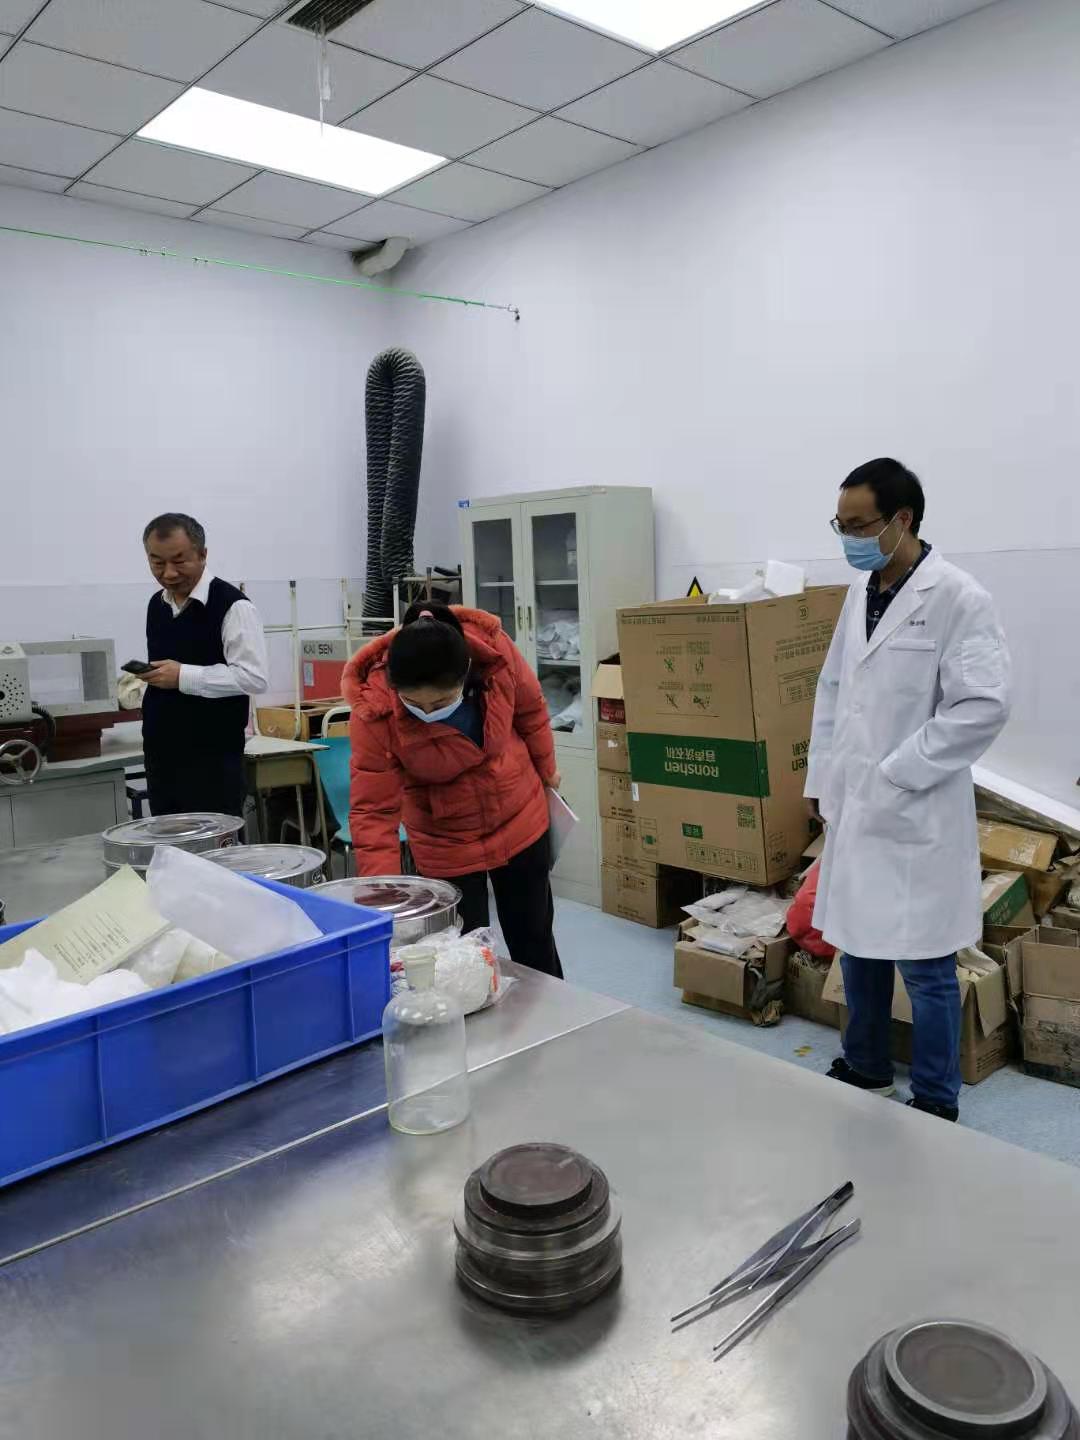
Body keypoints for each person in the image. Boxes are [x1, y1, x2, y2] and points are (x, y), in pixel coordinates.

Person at [805, 458, 1010, 1122]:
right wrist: (822, 779)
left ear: (902, 519)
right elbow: (834, 690)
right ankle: (865, 1067)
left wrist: (899, 770)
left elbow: (981, 707)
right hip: (856, 806)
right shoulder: (859, 593)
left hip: (916, 809)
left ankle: (936, 1098)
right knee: (859, 944)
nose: (848, 538)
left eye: (858, 525)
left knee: (926, 966)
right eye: (840, 525)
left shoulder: (957, 597)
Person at [344, 602, 564, 978]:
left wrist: (547, 772)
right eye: (415, 703)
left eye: (441, 701)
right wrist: (387, 896)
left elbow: (531, 711)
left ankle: (552, 1013)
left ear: (466, 673)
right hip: (444, 841)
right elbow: (373, 811)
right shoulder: (375, 710)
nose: (429, 711)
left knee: (534, 940)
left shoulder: (495, 656)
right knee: (461, 959)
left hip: (518, 814)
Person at [141, 513, 268, 817]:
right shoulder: (157, 605)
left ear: (202, 554)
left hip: (212, 764)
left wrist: (182, 676)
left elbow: (253, 677)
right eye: (157, 563)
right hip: (162, 759)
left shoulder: (233, 606)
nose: (169, 573)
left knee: (214, 844)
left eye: (179, 561)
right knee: (167, 843)